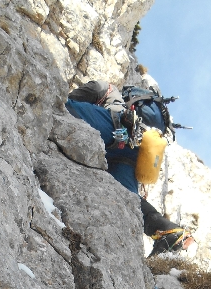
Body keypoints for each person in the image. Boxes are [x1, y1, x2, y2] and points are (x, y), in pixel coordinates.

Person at [66, 79, 193, 256]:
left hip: (117, 129)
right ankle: (168, 231)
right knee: (128, 201)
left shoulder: (108, 89)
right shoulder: (144, 119)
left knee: (63, 107)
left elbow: (68, 100)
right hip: (133, 155)